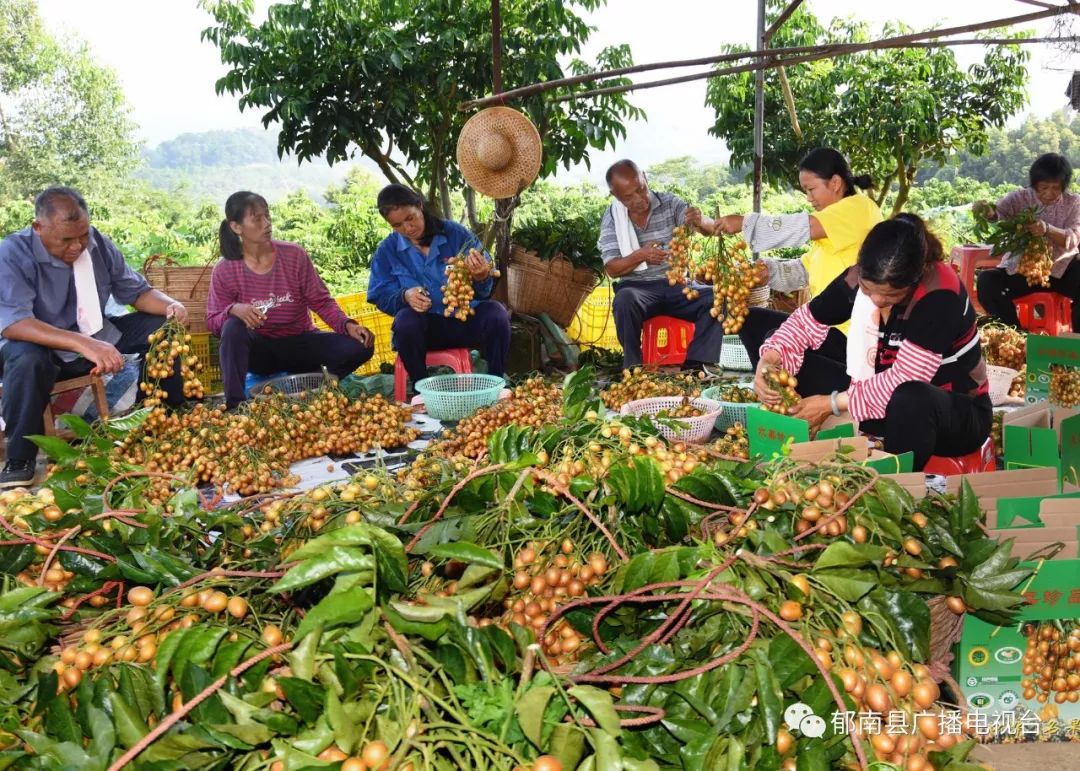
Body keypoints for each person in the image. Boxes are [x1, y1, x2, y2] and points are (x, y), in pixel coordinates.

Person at [753, 214, 991, 472]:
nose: (876, 299)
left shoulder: (940, 295)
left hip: (950, 415)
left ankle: (892, 480)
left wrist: (829, 403)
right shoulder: (860, 277)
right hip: (879, 403)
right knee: (775, 339)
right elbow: (804, 323)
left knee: (910, 398)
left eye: (891, 295)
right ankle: (805, 429)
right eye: (868, 290)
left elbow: (906, 378)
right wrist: (769, 360)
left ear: (915, 278)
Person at [0, 187, 189, 488]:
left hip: (97, 335)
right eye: (66, 240)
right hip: (42, 349)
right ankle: (20, 457)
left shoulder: (97, 244)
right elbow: (15, 323)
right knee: (26, 358)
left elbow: (137, 293)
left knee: (160, 328)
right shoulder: (12, 253)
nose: (77, 246)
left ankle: (170, 415)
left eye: (83, 236)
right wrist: (83, 343)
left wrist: (171, 306)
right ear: (38, 228)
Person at [715, 148, 881, 388]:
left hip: (851, 338)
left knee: (776, 343)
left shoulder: (859, 208)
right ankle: (768, 389)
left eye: (811, 189)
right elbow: (802, 270)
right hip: (824, 329)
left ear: (835, 182)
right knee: (750, 320)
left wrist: (744, 223)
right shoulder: (830, 226)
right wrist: (768, 272)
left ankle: (783, 389)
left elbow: (803, 226)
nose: (809, 198)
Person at [206, 191, 374, 409]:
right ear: (236, 227)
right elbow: (212, 321)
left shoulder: (293, 255)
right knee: (232, 327)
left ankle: (312, 383)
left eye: (267, 216)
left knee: (362, 346)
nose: (266, 223)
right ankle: (236, 406)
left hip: (301, 343)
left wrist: (347, 324)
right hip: (261, 353)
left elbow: (321, 301)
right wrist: (233, 310)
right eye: (256, 218)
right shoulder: (225, 269)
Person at [367, 184, 510, 392]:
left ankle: (496, 385)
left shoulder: (456, 234)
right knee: (405, 321)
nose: (407, 228)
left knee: (496, 313)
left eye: (410, 218)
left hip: (463, 322)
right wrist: (405, 296)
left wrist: (481, 276)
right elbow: (379, 294)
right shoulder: (387, 251)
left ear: (419, 206)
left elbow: (484, 288)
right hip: (424, 333)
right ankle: (421, 391)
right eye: (397, 225)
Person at [599, 159, 723, 370]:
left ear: (645, 178)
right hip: (638, 291)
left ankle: (696, 364)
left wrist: (700, 221)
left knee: (719, 296)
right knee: (624, 300)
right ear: (616, 196)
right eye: (629, 197)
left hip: (677, 286)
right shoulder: (613, 217)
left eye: (641, 189)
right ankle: (633, 367)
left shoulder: (670, 203)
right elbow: (611, 268)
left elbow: (711, 228)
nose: (640, 199)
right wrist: (640, 255)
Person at [975, 153, 1080, 330]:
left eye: (1055, 188)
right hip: (1023, 271)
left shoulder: (1074, 203)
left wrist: (1047, 229)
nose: (1048, 193)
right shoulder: (1020, 198)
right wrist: (987, 212)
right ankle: (1015, 337)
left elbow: (1074, 238)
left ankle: (1076, 346)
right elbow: (999, 213)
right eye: (1043, 187)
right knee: (987, 282)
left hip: (1061, 270)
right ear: (1034, 184)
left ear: (1064, 186)